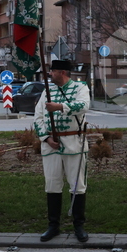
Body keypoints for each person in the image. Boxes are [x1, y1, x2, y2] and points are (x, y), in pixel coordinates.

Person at [34, 59, 91, 242]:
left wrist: (60, 107)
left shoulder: (80, 88)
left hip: (74, 141)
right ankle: (53, 226)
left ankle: (78, 225)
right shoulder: (46, 91)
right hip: (51, 144)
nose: (50, 74)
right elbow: (38, 118)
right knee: (52, 184)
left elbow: (83, 106)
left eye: (53, 71)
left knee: (77, 185)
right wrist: (47, 138)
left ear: (62, 72)